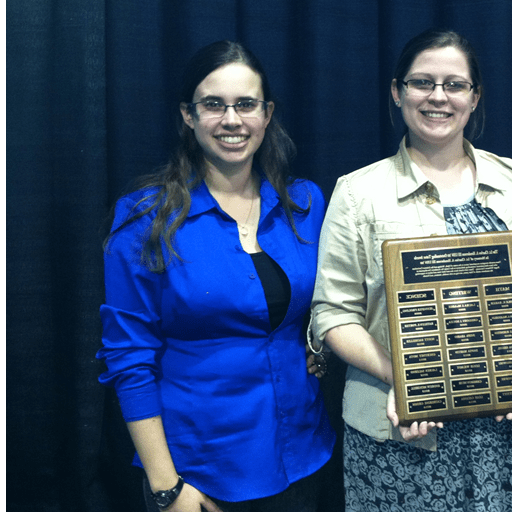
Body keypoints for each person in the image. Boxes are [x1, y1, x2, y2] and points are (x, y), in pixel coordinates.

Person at [309, 29, 512, 511]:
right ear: (397, 91)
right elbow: (333, 314)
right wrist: (410, 382)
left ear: (475, 96)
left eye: (455, 84)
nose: (438, 96)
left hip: (510, 430)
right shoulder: (358, 193)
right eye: (422, 82)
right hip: (402, 433)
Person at [97, 40, 335, 511]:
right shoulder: (145, 220)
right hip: (200, 477)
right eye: (213, 105)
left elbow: (333, 300)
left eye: (246, 104)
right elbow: (128, 360)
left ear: (267, 114)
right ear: (188, 115)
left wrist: (318, 343)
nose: (232, 120)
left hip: (307, 456)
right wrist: (167, 488)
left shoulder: (305, 205)